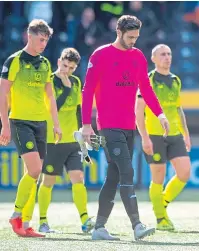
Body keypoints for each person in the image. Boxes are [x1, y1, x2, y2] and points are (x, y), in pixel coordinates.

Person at [81, 15, 169, 241]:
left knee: (113, 175)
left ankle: (99, 228)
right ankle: (137, 225)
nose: (133, 41)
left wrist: (160, 114)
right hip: (108, 126)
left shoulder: (138, 56)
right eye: (130, 37)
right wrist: (86, 125)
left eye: (136, 37)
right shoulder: (100, 55)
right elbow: (88, 90)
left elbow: (146, 89)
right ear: (118, 32)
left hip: (128, 125)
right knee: (128, 171)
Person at [0, 19, 62, 237]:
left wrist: (55, 123)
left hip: (40, 124)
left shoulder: (45, 64)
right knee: (35, 170)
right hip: (20, 122)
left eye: (46, 40)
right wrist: (5, 125)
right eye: (41, 39)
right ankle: (16, 214)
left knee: (33, 174)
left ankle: (26, 225)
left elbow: (50, 96)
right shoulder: (14, 61)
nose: (44, 44)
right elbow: (3, 95)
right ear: (30, 36)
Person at [36, 48, 95, 233]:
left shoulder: (76, 82)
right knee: (48, 181)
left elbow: (78, 109)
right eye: (64, 65)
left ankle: (85, 219)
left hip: (72, 141)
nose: (66, 70)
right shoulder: (50, 82)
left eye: (71, 67)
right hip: (53, 141)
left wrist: (83, 132)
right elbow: (55, 108)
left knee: (78, 178)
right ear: (59, 61)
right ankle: (43, 221)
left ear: (76, 68)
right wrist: (66, 87)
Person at [135, 44, 191, 231]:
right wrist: (144, 138)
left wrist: (186, 134)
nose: (167, 57)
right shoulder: (147, 80)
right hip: (155, 135)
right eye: (163, 54)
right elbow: (139, 111)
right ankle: (161, 218)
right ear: (154, 59)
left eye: (169, 54)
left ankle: (162, 202)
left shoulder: (175, 80)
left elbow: (178, 109)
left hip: (175, 135)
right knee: (158, 177)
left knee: (184, 173)